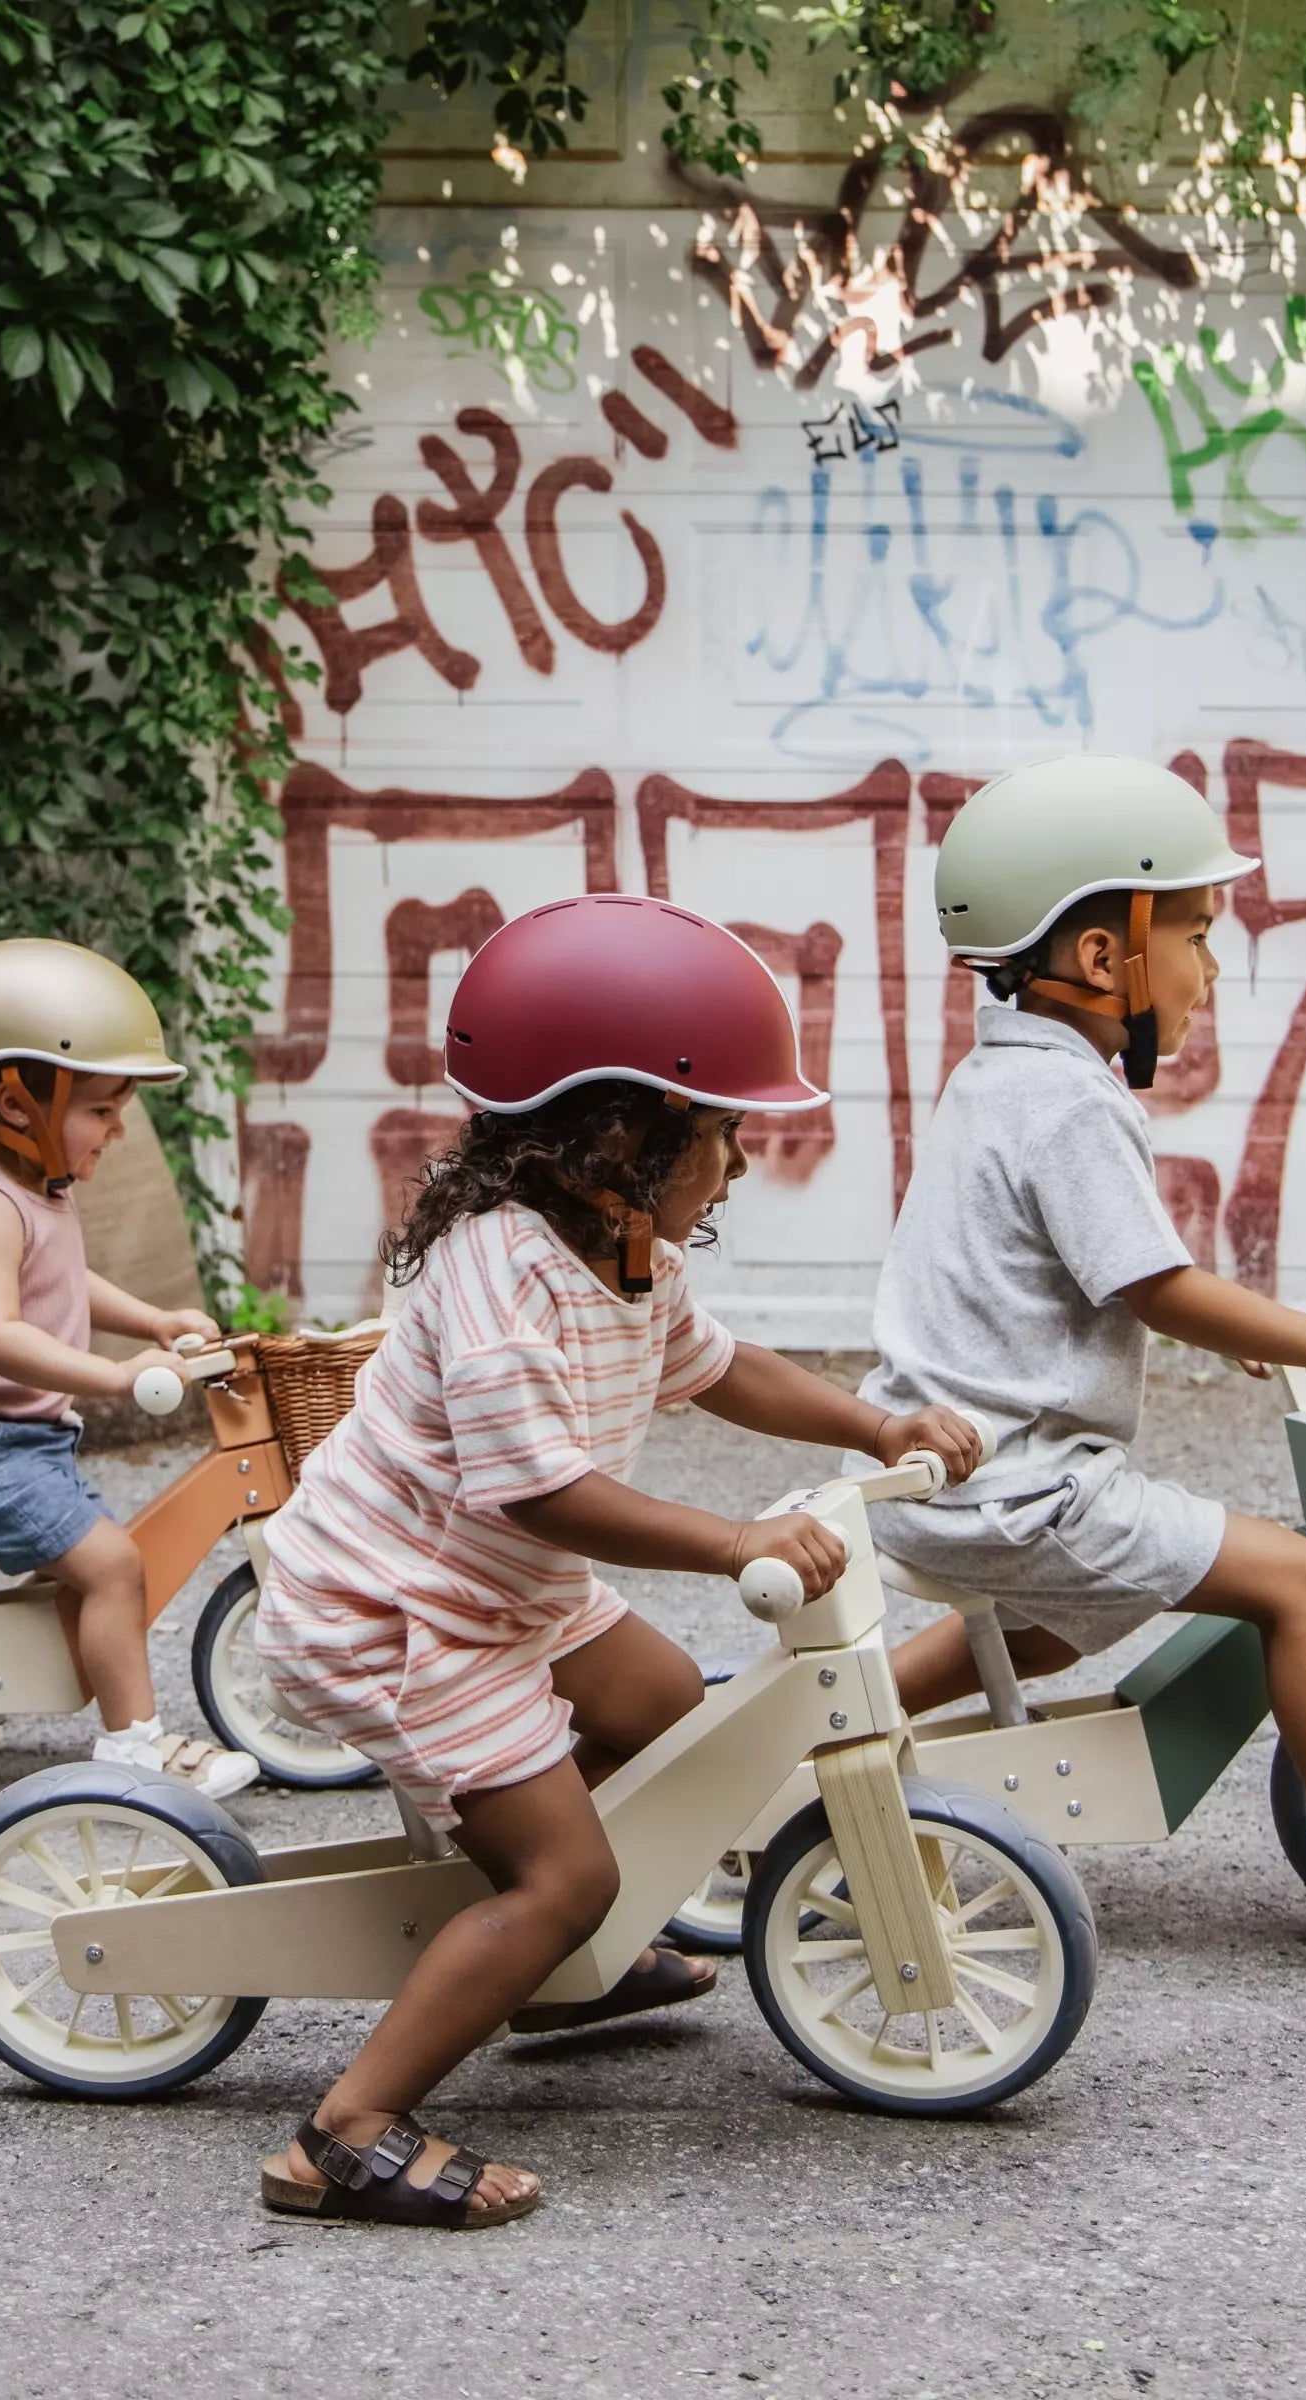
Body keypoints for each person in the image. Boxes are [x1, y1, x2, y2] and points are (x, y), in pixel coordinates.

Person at [254, 894, 978, 2229]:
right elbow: (535, 1489)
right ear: (618, 1138)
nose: (740, 1166)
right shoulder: (499, 1273)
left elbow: (720, 1367)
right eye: (722, 1135)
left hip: (497, 1592)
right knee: (568, 1877)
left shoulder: (624, 1249)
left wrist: (876, 1425)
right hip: (396, 1614)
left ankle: (538, 1957)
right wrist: (732, 1541)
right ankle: (345, 2131)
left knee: (665, 1706)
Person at [857, 752, 1306, 1972]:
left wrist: (1235, 1330)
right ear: (1102, 958)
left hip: (952, 1480)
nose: (1209, 966)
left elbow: (1104, 1274)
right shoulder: (1069, 1103)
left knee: (1056, 1624)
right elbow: (1158, 1287)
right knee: (1297, 1581)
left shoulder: (999, 1076)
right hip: (1020, 1488)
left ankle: (848, 1716)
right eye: (1193, 934)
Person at [0, 937, 257, 1799]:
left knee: (98, 1561)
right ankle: (134, 1746)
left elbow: (63, 1280)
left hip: (6, 1441)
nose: (117, 1128)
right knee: (113, 1565)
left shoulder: (33, 1190)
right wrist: (116, 1376)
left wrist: (151, 1319)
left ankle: (19, 1676)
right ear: (18, 1103)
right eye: (102, 1108)